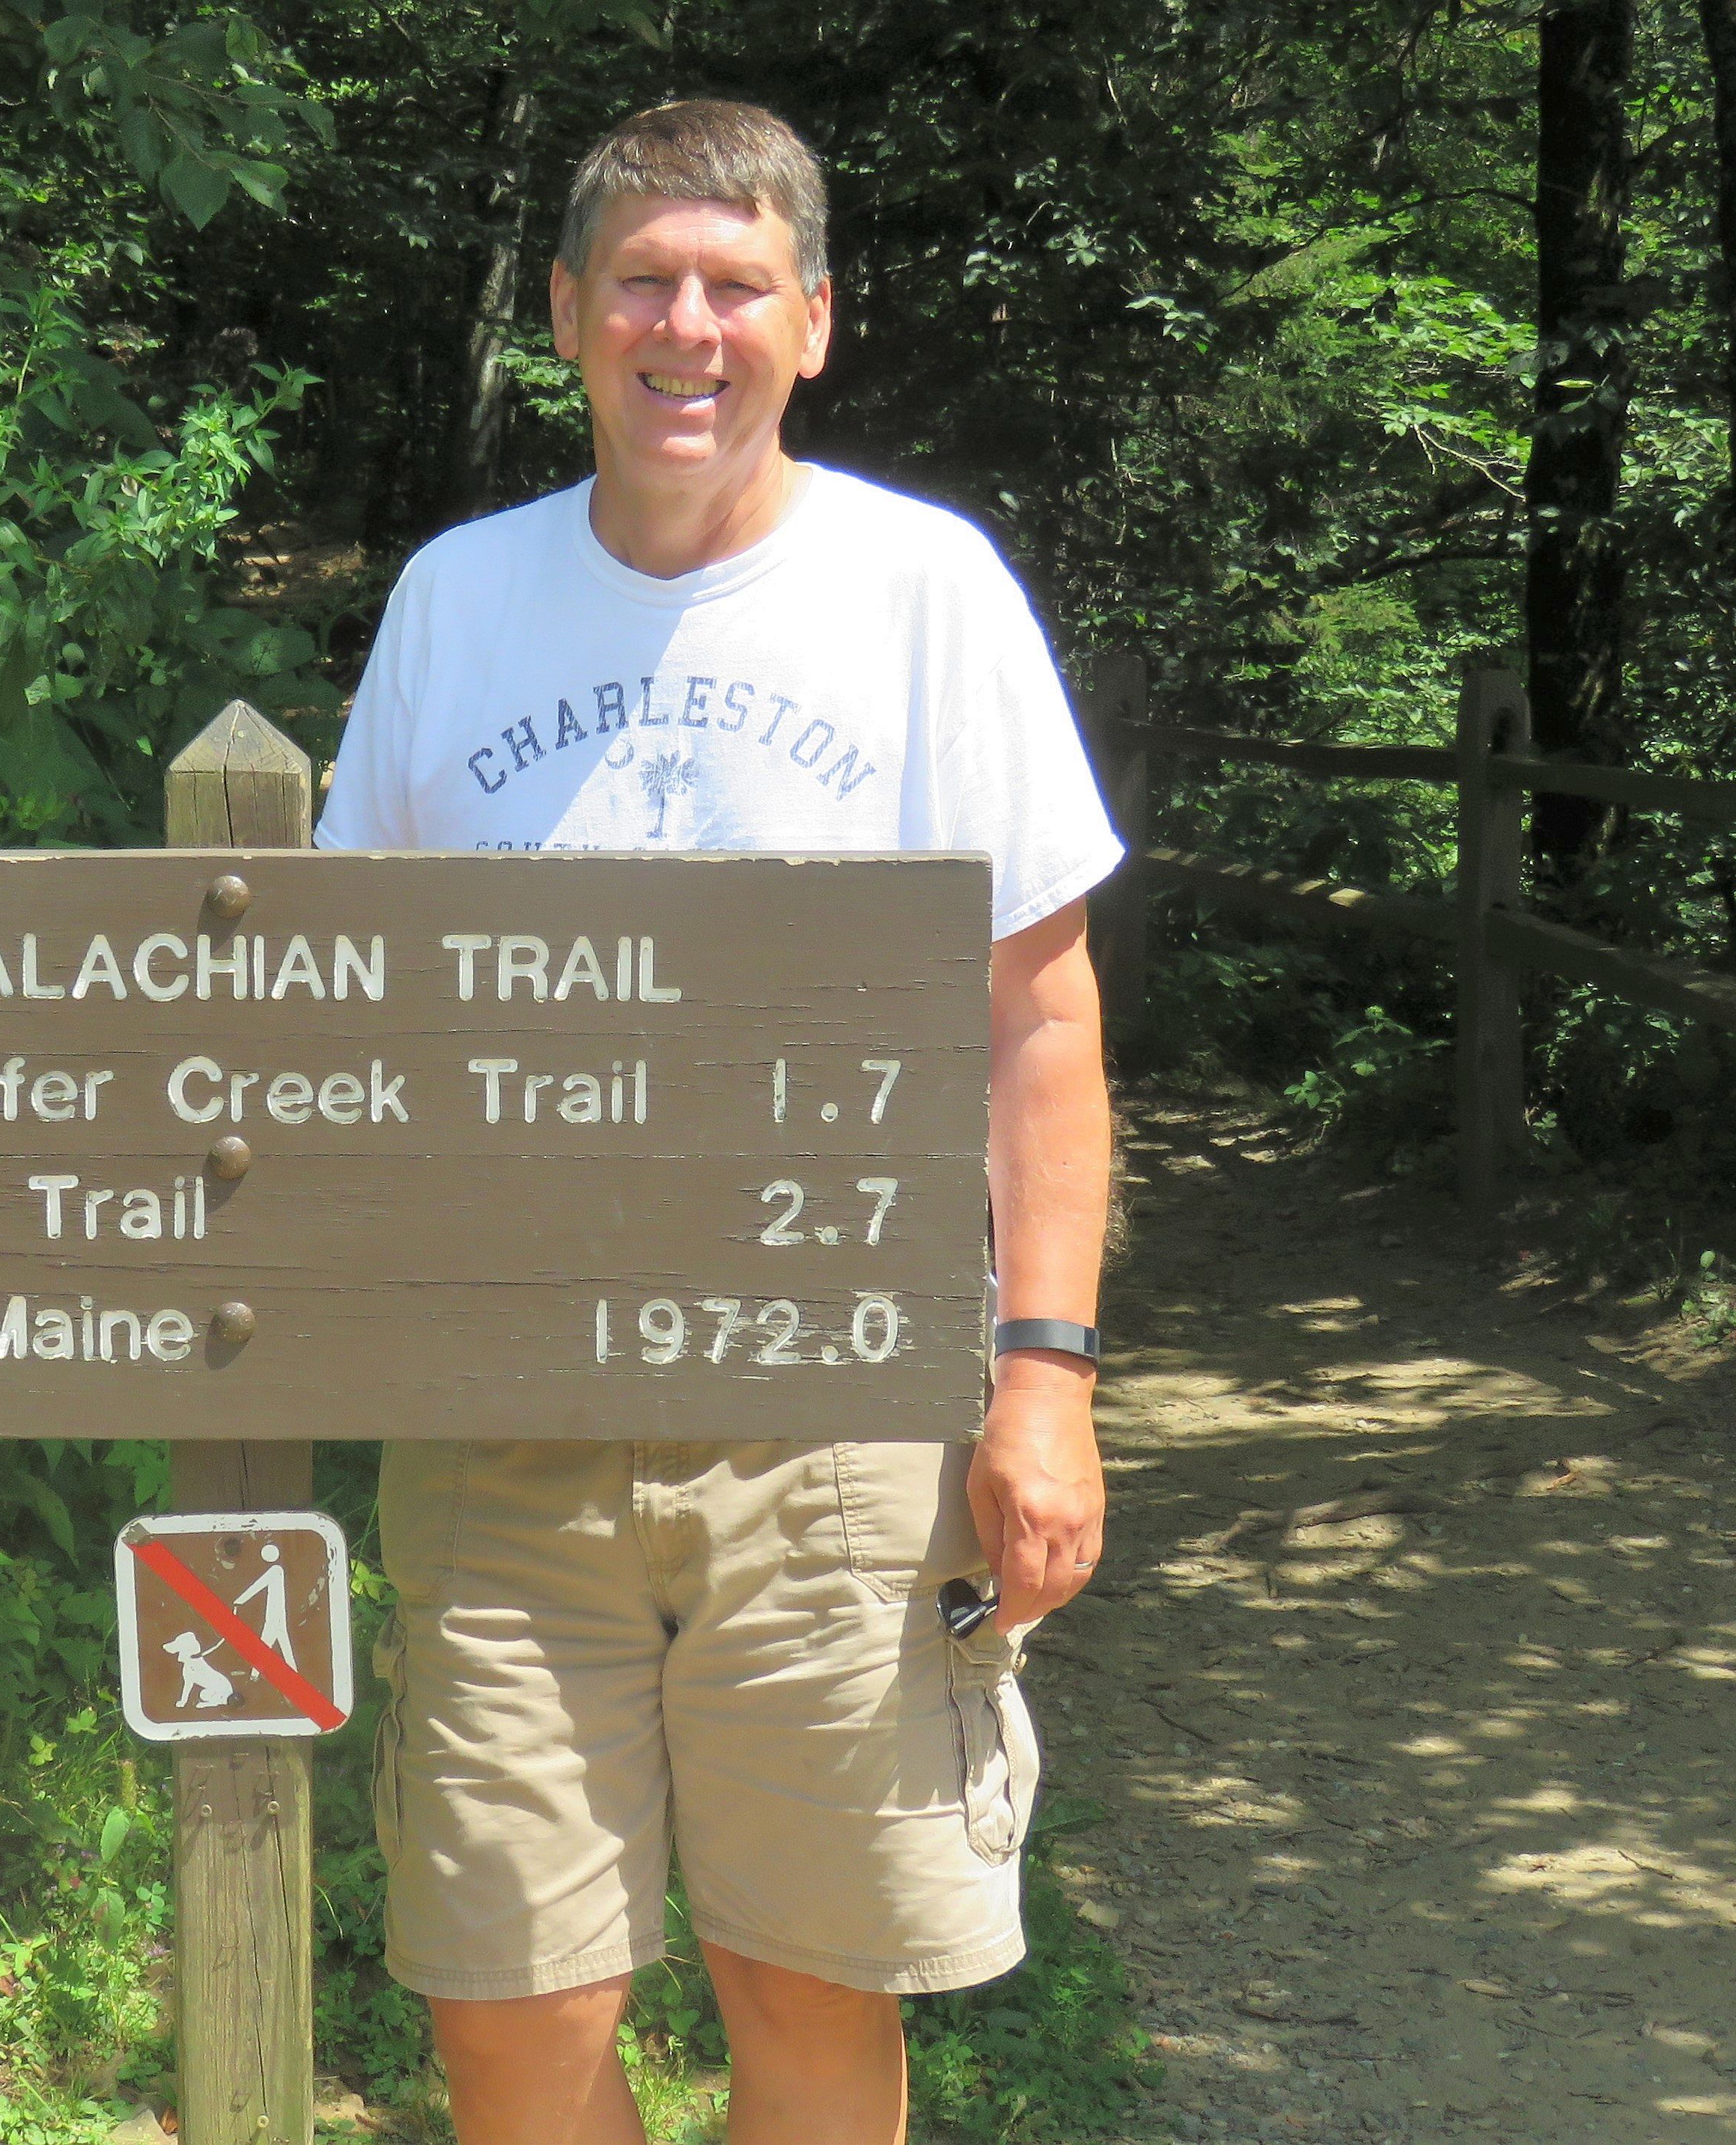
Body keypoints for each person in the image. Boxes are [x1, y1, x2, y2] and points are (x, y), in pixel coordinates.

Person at [311, 100, 1118, 2144]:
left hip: (838, 1415)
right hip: (504, 1417)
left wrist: (1043, 1379)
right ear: (567, 314)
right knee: (512, 2003)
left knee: (808, 1982)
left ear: (812, 323)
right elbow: (339, 1003)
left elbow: (1037, 1023)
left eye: (736, 286)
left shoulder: (924, 591)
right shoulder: (456, 599)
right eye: (644, 282)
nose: (689, 327)